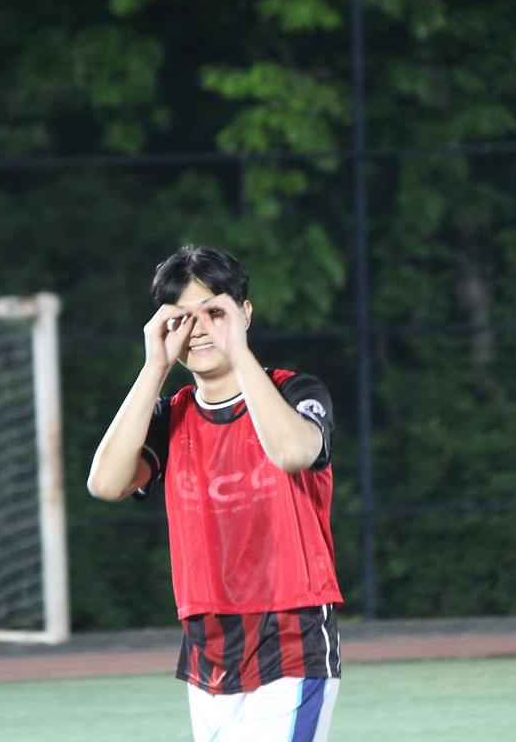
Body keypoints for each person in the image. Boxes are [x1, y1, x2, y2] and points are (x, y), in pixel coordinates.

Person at [88, 245, 343, 742]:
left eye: (214, 312)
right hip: (208, 651)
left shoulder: (296, 392)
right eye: (183, 317)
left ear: (245, 313)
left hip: (292, 640)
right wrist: (154, 366)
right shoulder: (171, 415)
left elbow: (293, 452)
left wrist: (239, 353)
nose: (199, 329)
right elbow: (105, 483)